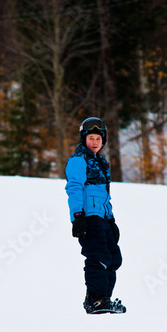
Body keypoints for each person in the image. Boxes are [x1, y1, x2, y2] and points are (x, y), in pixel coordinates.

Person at [65, 117, 126, 314]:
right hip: (88, 217)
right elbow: (74, 188)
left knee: (113, 258)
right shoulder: (78, 160)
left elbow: (104, 196)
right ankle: (96, 299)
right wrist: (78, 217)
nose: (94, 142)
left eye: (98, 139)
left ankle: (103, 298)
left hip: (103, 218)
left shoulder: (101, 163)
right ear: (84, 139)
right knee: (97, 256)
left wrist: (111, 219)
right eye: (91, 138)